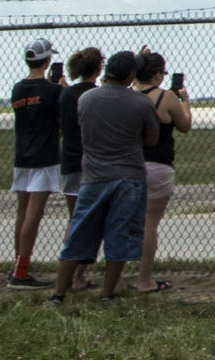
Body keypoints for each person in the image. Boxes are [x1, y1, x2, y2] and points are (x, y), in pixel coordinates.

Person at [49, 50, 160, 303]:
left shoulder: (86, 99)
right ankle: (108, 293)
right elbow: (151, 139)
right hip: (128, 175)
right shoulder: (141, 103)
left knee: (78, 233)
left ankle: (58, 293)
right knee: (118, 234)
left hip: (93, 176)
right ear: (130, 75)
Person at [131, 49, 190, 294]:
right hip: (158, 166)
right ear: (157, 74)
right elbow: (185, 125)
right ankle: (145, 279)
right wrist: (184, 100)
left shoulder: (129, 94)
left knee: (126, 221)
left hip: (130, 165)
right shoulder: (165, 97)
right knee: (150, 223)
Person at [10, 40, 63, 289]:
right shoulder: (52, 91)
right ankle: (21, 272)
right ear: (47, 61)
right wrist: (61, 88)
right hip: (44, 156)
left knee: (23, 212)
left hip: (23, 156)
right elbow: (61, 122)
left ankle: (18, 265)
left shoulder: (18, 89)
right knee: (34, 213)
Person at [53, 47, 101, 294]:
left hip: (70, 162)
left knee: (75, 219)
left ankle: (68, 272)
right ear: (98, 68)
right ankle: (79, 274)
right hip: (92, 163)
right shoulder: (98, 94)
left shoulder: (66, 95)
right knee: (92, 219)